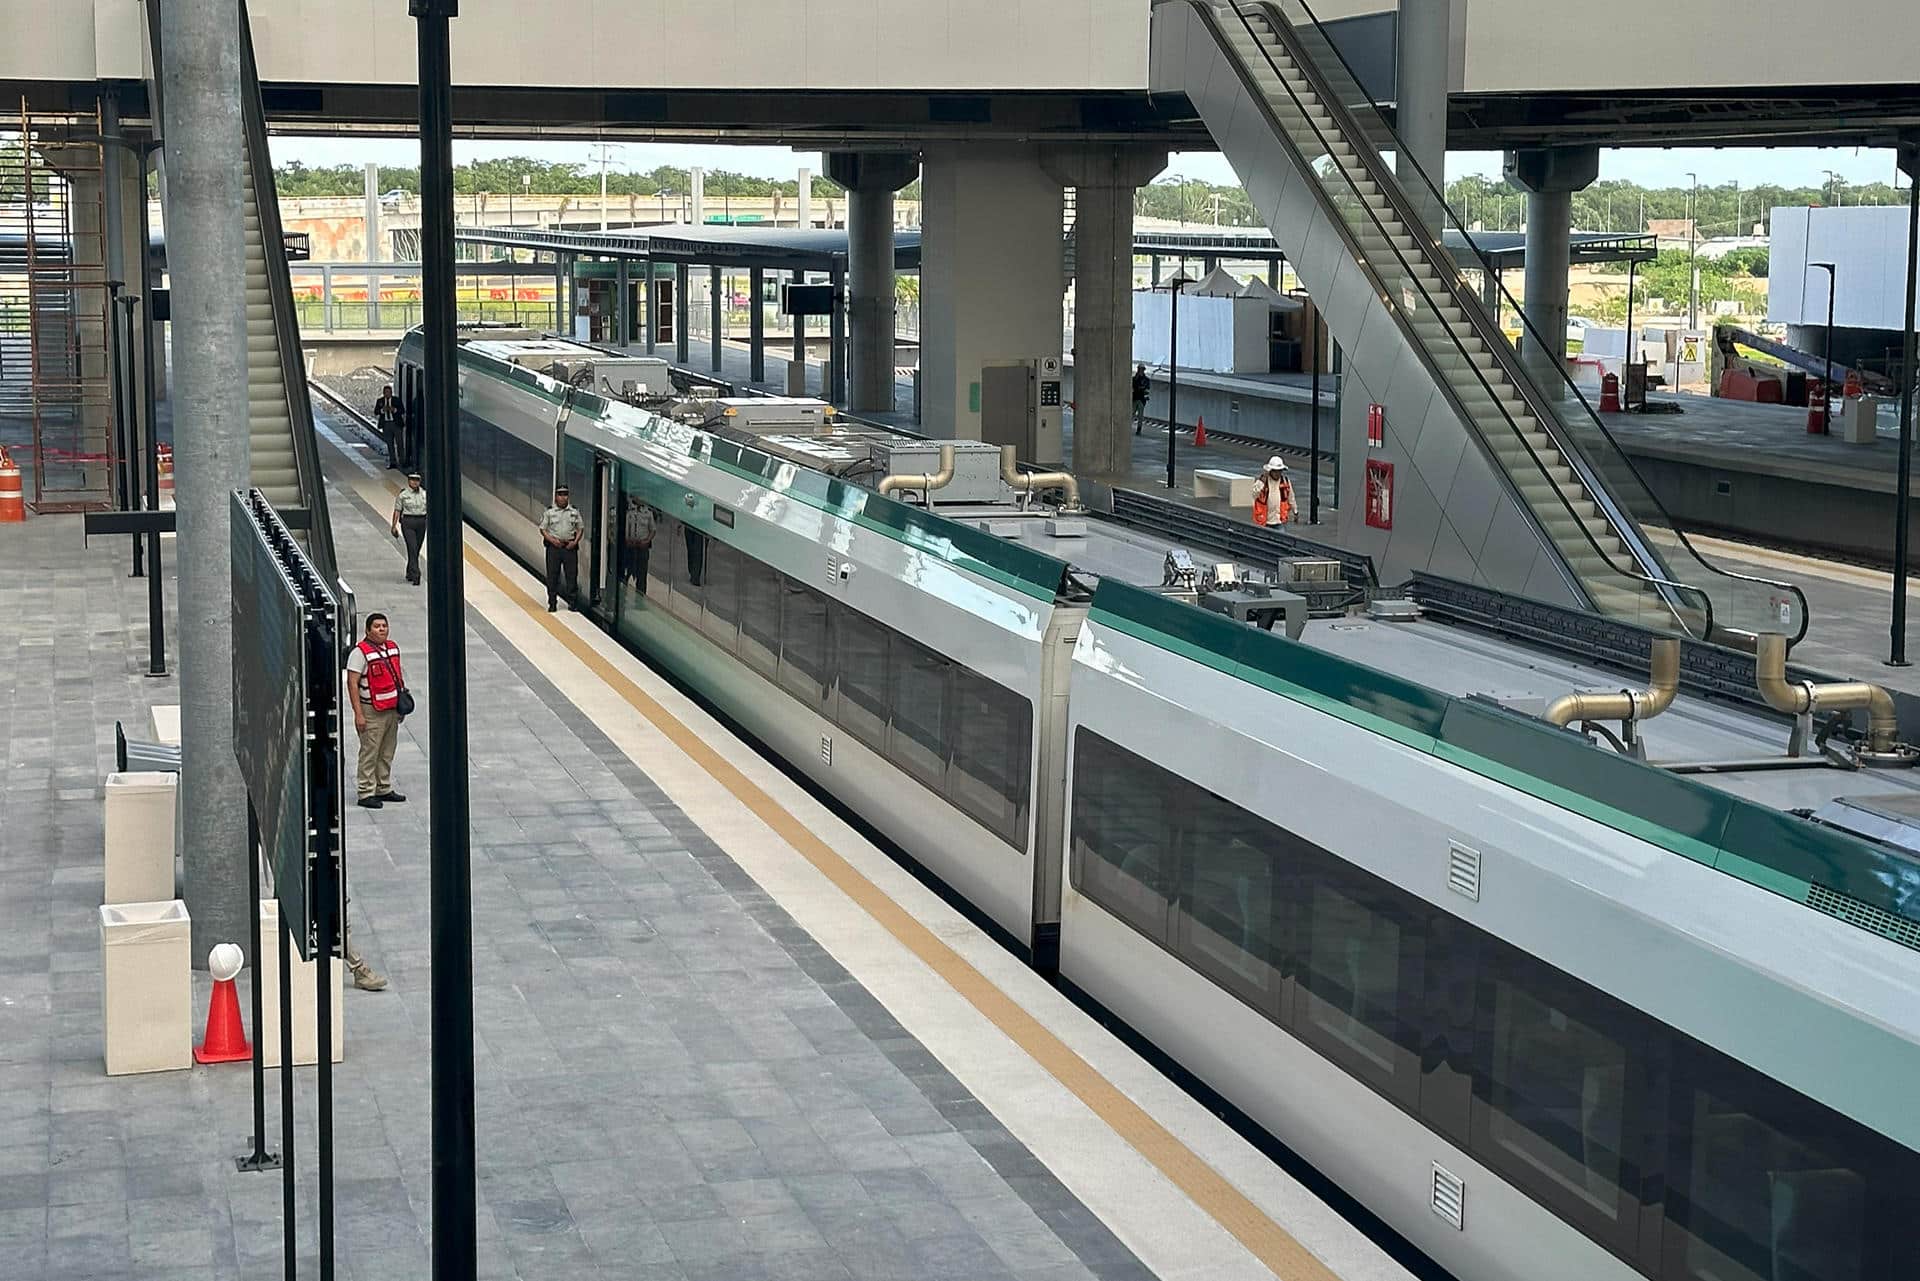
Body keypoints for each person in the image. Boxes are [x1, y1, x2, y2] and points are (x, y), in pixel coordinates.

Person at [345, 613, 408, 811]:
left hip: (391, 710)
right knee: (370, 752)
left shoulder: (392, 648)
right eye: (377, 626)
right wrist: (359, 714)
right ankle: (365, 792)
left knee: (387, 751)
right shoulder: (359, 653)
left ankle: (383, 787)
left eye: (384, 626)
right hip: (371, 711)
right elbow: (352, 683)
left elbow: (397, 677)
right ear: (367, 630)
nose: (381, 629)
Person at [540, 485, 585, 611]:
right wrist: (552, 540)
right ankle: (552, 603)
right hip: (554, 548)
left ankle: (572, 603)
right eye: (560, 494)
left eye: (565, 494)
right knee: (552, 576)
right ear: (556, 497)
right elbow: (543, 529)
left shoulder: (574, 512)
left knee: (571, 575)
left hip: (569, 547)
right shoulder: (549, 512)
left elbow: (580, 528)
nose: (563, 497)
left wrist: (575, 542)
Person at [391, 472, 427, 585]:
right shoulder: (403, 495)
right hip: (408, 523)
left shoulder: (425, 494)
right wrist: (394, 526)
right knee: (412, 547)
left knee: (416, 549)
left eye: (417, 480)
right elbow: (397, 510)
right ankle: (416, 575)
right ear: (408, 481)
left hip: (421, 522)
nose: (414, 482)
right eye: (412, 479)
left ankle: (409, 572)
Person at [623, 495, 657, 591]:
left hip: (642, 547)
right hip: (628, 546)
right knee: (625, 572)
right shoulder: (626, 509)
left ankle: (641, 594)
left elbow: (653, 530)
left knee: (641, 575)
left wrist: (646, 541)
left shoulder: (648, 512)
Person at [1253, 455, 1295, 527]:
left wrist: (1295, 511)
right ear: (1270, 471)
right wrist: (1262, 481)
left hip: (1279, 521)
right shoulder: (1263, 481)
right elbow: (1254, 493)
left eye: (1279, 471)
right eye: (1275, 471)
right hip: (1264, 521)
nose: (1277, 474)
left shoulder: (1285, 481)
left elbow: (1291, 497)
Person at [373, 384, 402, 468]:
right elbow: (376, 412)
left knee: (399, 443)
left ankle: (401, 461)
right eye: (386, 392)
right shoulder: (380, 401)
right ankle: (392, 462)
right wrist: (382, 410)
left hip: (396, 424)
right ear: (383, 393)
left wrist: (394, 410)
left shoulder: (396, 400)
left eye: (389, 392)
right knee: (390, 443)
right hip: (386, 424)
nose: (388, 394)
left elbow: (402, 410)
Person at [1131, 363, 1152, 435]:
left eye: (1141, 369)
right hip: (1135, 398)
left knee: (1140, 416)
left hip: (1141, 399)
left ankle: (1139, 429)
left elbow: (1147, 390)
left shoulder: (1145, 380)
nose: (1140, 371)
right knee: (1132, 414)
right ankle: (1130, 428)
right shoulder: (1135, 379)